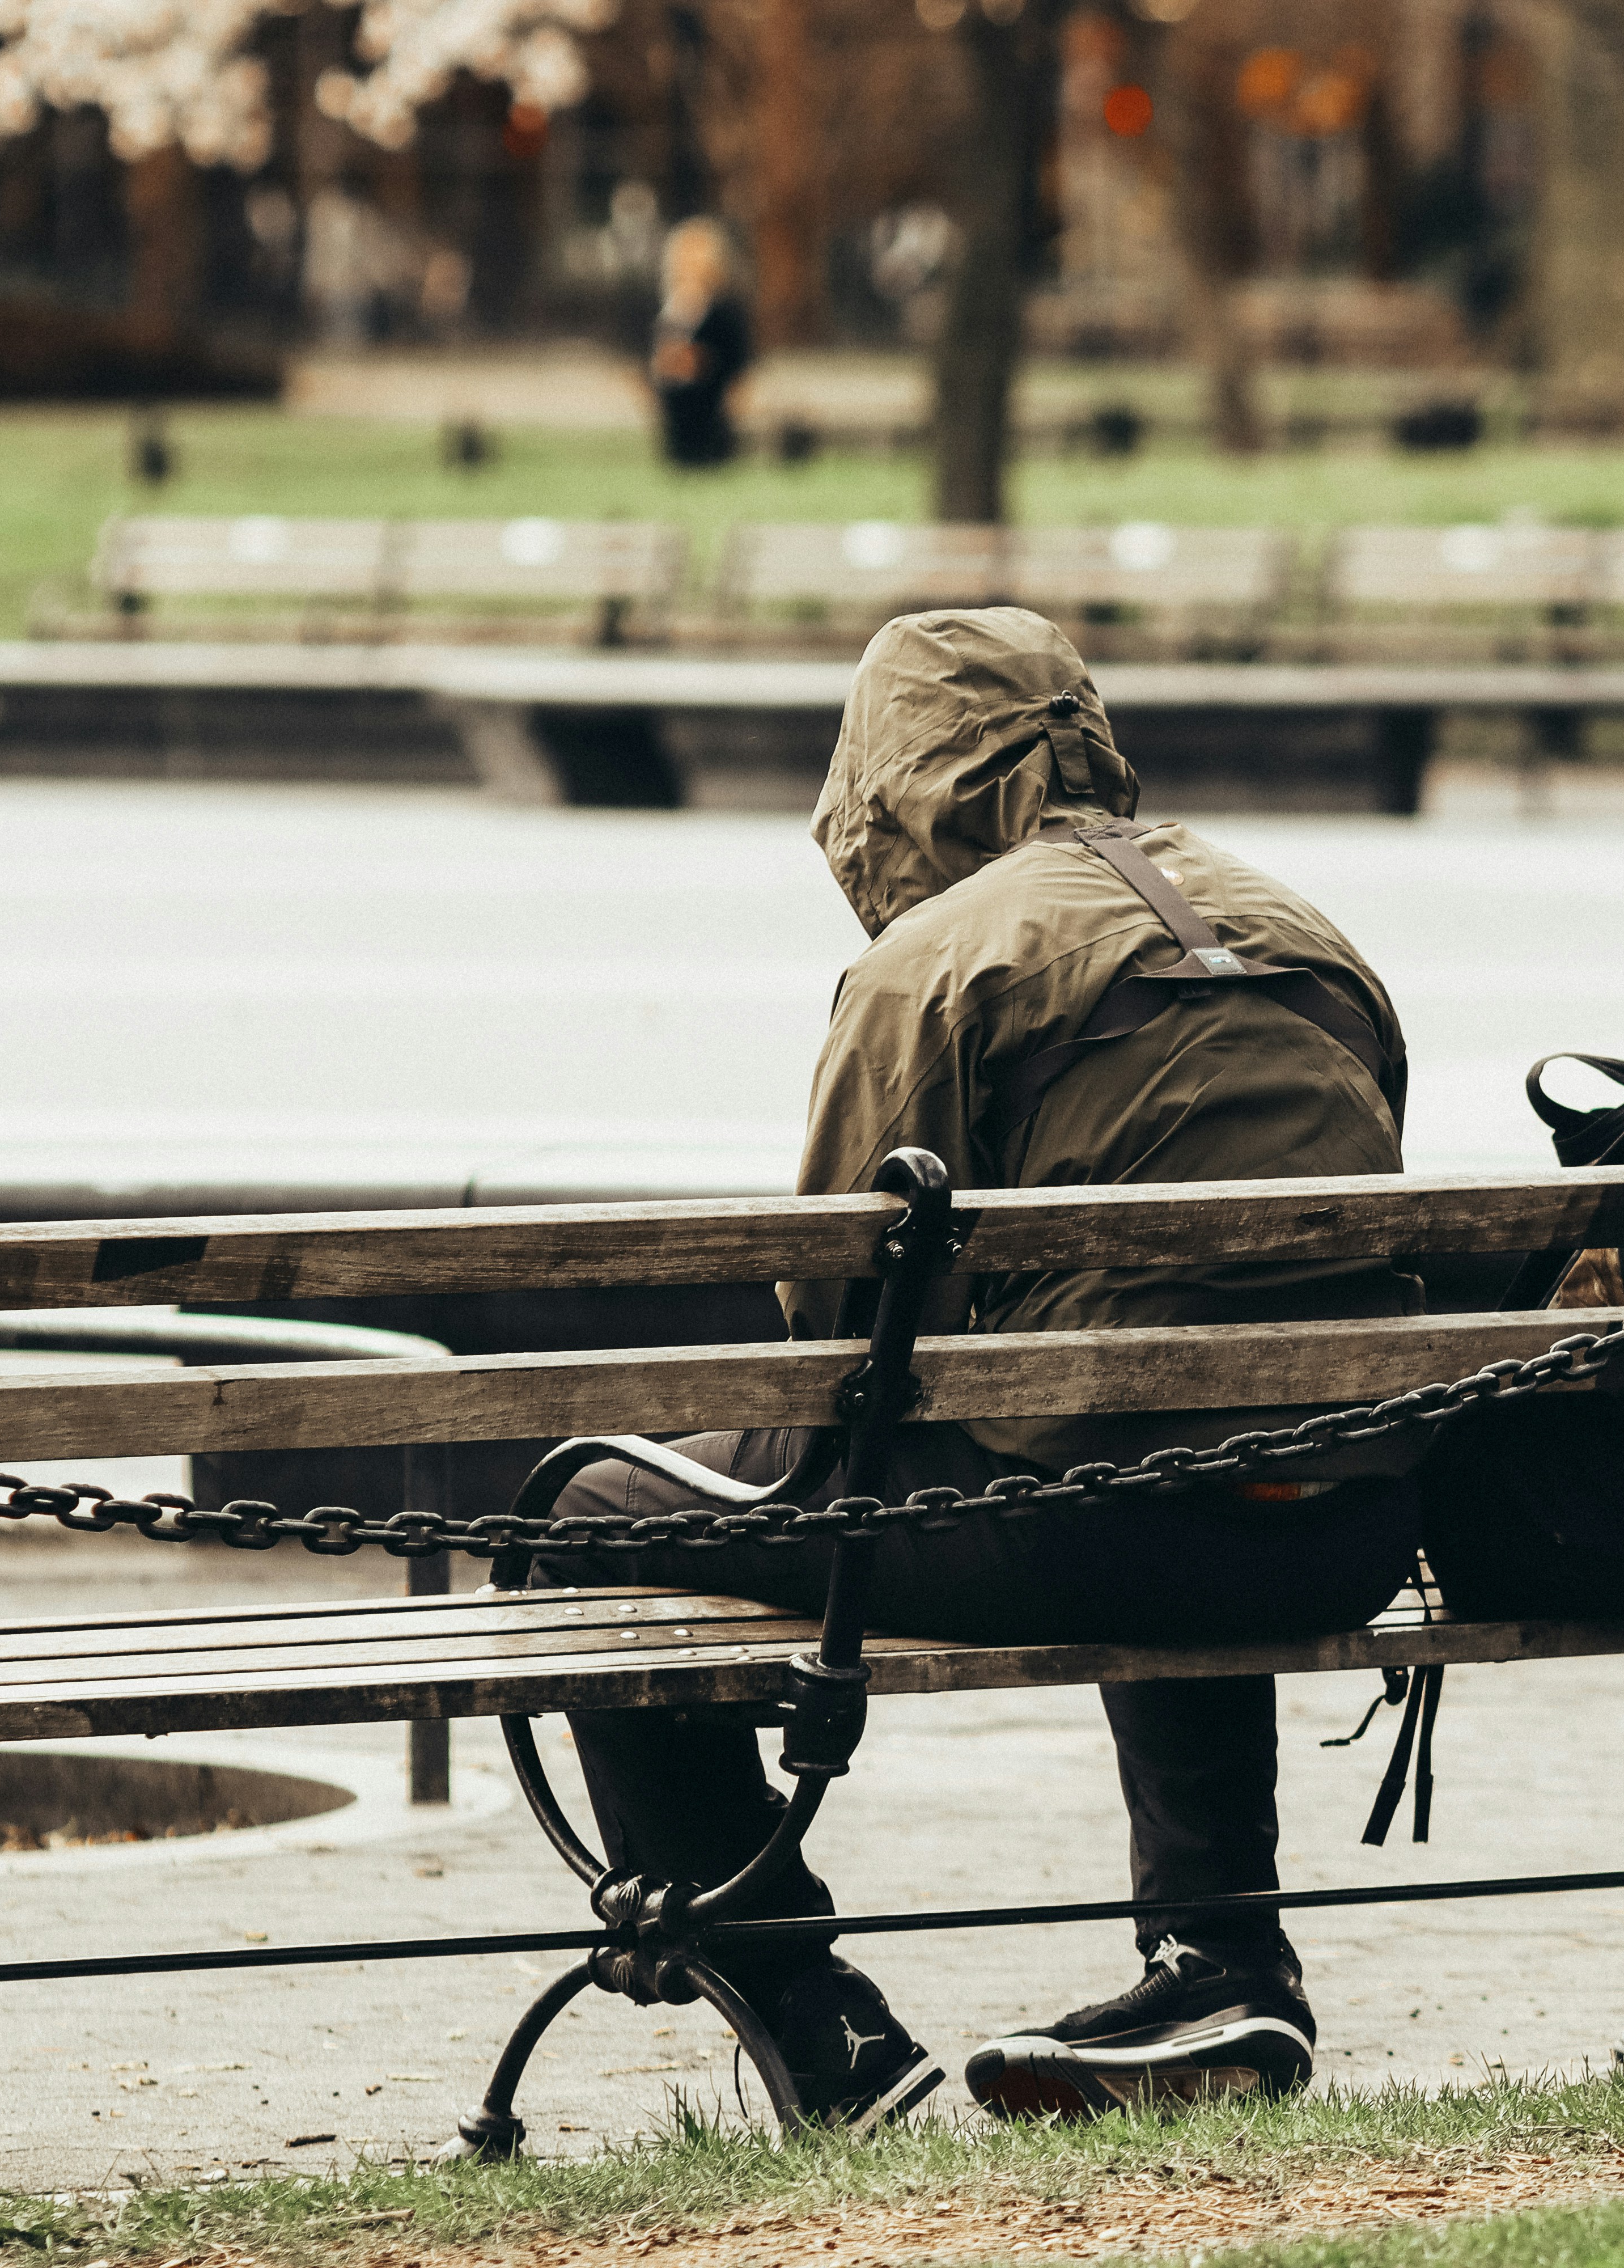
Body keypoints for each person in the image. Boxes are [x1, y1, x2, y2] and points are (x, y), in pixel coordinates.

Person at [529, 607, 1426, 2130]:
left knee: (582, 1516)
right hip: (1343, 1532)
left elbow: (832, 1342)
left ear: (886, 798)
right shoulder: (1301, 930)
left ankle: (816, 2024)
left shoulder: (935, 967)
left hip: (1105, 1533)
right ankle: (1223, 1954)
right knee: (1180, 1421)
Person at [650, 218, 754, 468]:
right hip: (676, 429)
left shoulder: (726, 315)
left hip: (713, 428)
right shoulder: (668, 313)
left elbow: (739, 370)